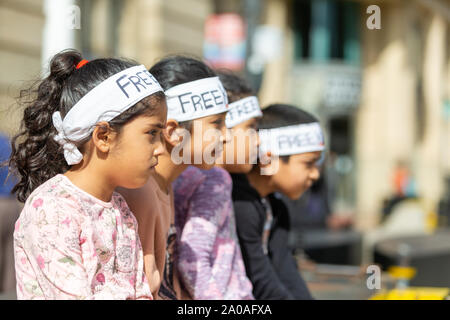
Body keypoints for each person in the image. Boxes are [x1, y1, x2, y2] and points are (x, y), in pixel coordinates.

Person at [9, 49, 166, 299]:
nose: (160, 148)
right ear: (103, 137)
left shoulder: (121, 209)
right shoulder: (51, 209)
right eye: (151, 133)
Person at [118, 56, 229, 299]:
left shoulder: (165, 185)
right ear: (173, 131)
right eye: (217, 124)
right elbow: (147, 287)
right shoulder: (142, 191)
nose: (227, 136)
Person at [172, 70, 259, 299]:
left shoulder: (187, 174)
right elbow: (194, 258)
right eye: (251, 129)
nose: (258, 140)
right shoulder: (214, 180)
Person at [231, 103, 326, 300]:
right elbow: (259, 279)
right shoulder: (240, 204)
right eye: (308, 164)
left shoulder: (276, 207)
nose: (315, 174)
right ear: (269, 158)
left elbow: (286, 271)